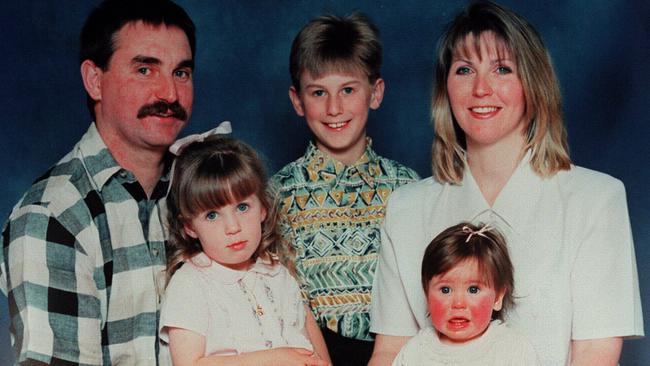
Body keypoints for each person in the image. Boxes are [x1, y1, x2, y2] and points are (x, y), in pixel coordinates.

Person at [369, 2, 644, 366]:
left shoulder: (595, 199)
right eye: (465, 69)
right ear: (445, 89)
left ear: (534, 84)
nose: (481, 88)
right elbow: (390, 352)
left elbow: (595, 356)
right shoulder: (405, 208)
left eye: (502, 69)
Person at [0, 0, 196, 364]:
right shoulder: (52, 217)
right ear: (94, 80)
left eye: (181, 73)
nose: (169, 94)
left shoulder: (207, 193)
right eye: (145, 70)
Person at [272, 12, 420, 365]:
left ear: (375, 93)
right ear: (297, 100)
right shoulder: (276, 196)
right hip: (314, 354)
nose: (334, 108)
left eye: (348, 90)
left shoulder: (408, 188)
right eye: (318, 92)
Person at [159, 135, 331, 366]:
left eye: (242, 207)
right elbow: (189, 364)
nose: (233, 227)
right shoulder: (191, 283)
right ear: (189, 227)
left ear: (263, 209)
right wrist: (273, 359)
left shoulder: (277, 273)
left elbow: (316, 353)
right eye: (212, 215)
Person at [392, 222, 539, 365]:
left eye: (473, 290)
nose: (458, 304)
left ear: (498, 297)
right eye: (445, 290)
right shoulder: (415, 351)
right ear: (427, 294)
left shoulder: (513, 350)